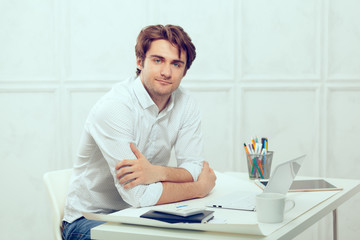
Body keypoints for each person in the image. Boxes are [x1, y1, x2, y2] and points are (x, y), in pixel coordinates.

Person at [62, 24, 217, 240]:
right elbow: (137, 195)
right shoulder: (115, 107)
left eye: (176, 64)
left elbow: (194, 167)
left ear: (184, 70)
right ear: (139, 61)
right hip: (90, 219)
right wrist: (199, 188)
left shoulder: (186, 104)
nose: (166, 72)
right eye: (157, 60)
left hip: (143, 216)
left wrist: (158, 172)